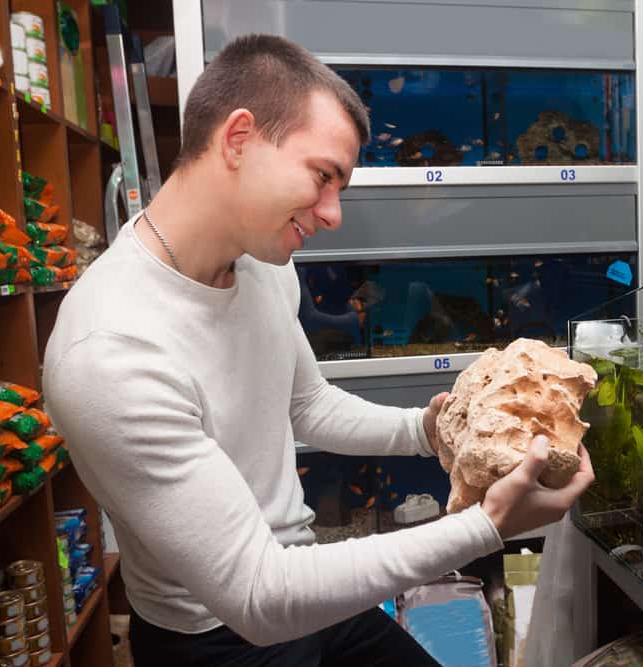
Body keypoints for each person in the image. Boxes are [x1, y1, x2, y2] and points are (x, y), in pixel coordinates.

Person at [42, 34, 593, 666]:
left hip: (308, 589)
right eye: (323, 176)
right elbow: (255, 592)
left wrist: (428, 430)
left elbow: (308, 404)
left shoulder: (262, 261)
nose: (332, 214)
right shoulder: (109, 351)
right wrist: (485, 526)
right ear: (239, 138)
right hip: (221, 636)